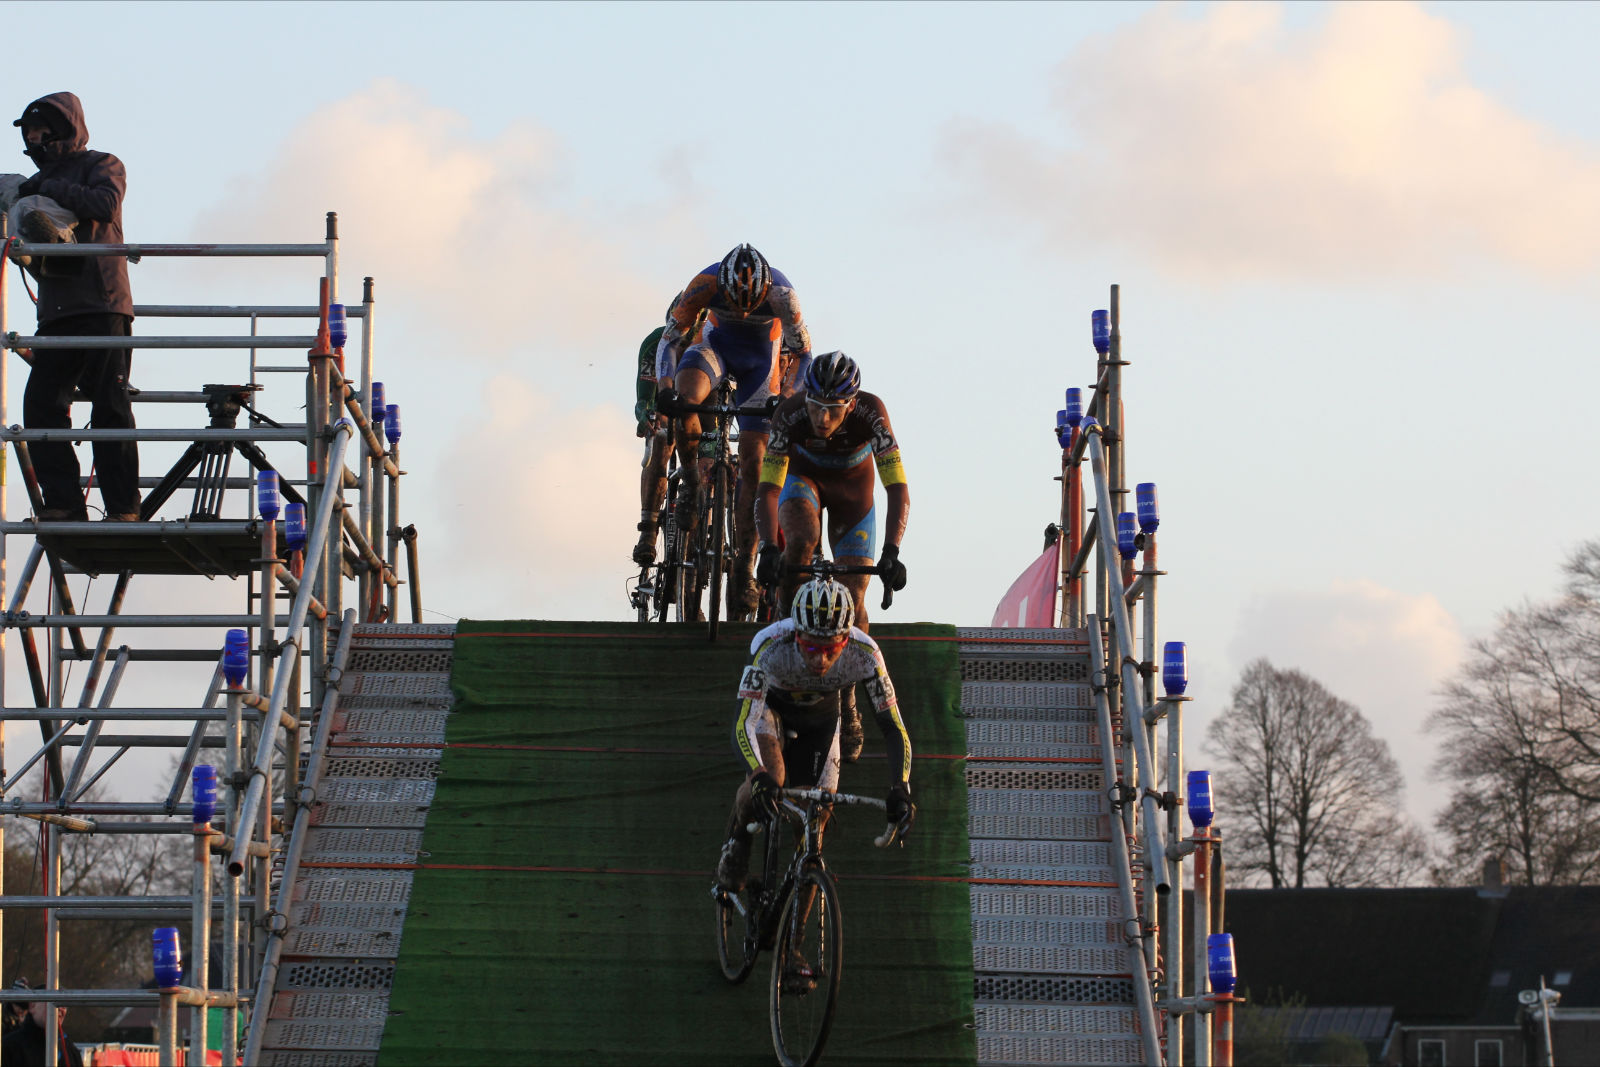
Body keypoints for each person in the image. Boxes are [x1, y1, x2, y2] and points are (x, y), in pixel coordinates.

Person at [713, 576, 915, 901]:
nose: (820, 660)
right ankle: (739, 840)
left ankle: (793, 945)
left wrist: (900, 786)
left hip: (820, 722)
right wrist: (758, 775)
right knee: (772, 777)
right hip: (772, 712)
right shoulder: (770, 645)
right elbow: (743, 722)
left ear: (846, 639)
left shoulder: (865, 654)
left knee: (813, 822)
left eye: (831, 649)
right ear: (795, 634)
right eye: (810, 647)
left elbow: (893, 726)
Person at [753, 351, 909, 760]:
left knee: (853, 599)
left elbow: (897, 488)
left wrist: (892, 551)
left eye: (834, 409)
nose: (822, 419)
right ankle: (786, 646)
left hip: (853, 495)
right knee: (798, 546)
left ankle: (849, 702)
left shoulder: (872, 413)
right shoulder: (788, 414)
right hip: (803, 480)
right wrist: (770, 547)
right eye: (816, 407)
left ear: (851, 404)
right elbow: (769, 489)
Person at [651, 244, 811, 617]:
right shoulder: (703, 283)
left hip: (760, 364)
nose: (740, 310)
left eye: (748, 306)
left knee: (756, 461)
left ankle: (744, 565)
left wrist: (785, 395)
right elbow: (670, 339)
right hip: (713, 349)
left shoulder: (783, 294)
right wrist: (664, 388)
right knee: (686, 399)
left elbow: (803, 353)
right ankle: (691, 481)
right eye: (734, 304)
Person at [12, 92, 139, 522]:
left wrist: (47, 187)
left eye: (40, 129)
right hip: (56, 311)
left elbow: (105, 204)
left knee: (110, 405)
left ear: (62, 128)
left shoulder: (102, 163)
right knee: (42, 404)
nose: (33, 138)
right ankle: (65, 503)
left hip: (102, 302)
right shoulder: (35, 182)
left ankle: (123, 508)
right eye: (29, 132)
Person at [0, 982, 84, 1067]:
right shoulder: (9, 1048)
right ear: (32, 1006)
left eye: (64, 1005)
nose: (60, 1009)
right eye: (52, 1001)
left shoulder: (71, 1051)